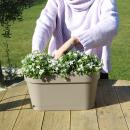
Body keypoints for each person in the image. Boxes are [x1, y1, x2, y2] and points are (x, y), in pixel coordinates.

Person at [32, 0, 119, 79]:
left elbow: (111, 25)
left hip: (93, 70)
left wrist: (74, 41)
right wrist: (36, 54)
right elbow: (44, 25)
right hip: (59, 66)